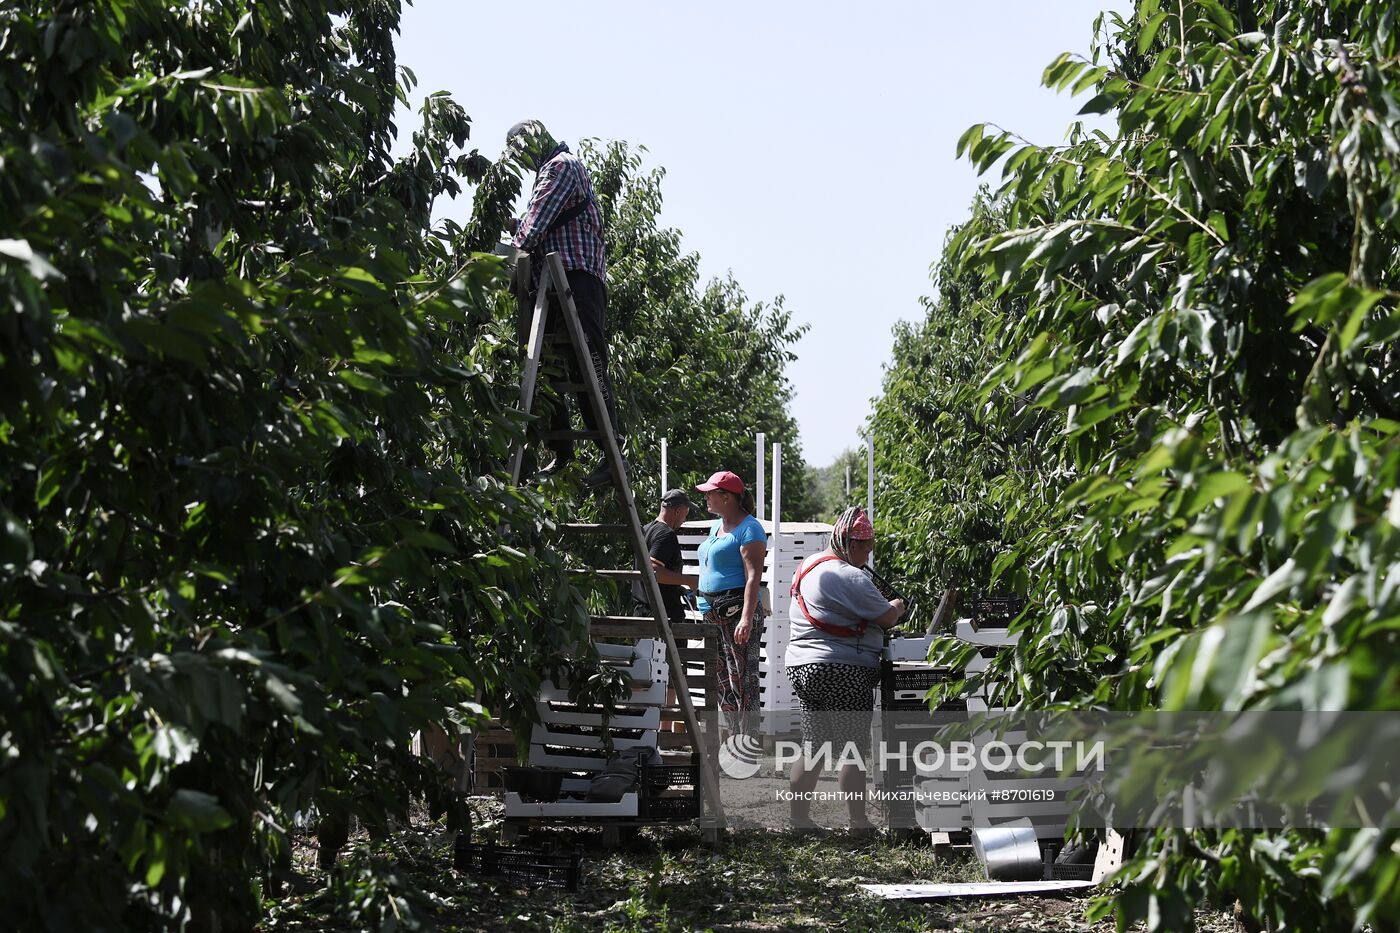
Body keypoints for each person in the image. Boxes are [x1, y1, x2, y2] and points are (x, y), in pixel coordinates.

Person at [505, 119, 621, 489]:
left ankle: (611, 448)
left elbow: (532, 229)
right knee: (548, 368)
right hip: (553, 283)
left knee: (588, 362)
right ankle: (562, 451)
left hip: (576, 279)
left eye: (520, 152)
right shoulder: (552, 172)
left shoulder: (561, 167)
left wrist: (514, 233)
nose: (521, 162)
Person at [784, 506, 905, 831]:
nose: (868, 554)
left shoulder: (809, 565)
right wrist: (896, 605)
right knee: (852, 747)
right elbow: (887, 617)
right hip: (842, 670)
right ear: (851, 544)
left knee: (814, 744)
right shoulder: (849, 576)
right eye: (866, 547)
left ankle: (798, 820)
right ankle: (858, 822)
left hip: (803, 666)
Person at [694, 470, 767, 737]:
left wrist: (747, 618)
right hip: (713, 613)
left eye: (710, 494)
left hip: (737, 613)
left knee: (743, 679)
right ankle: (734, 736)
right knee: (722, 680)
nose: (705, 498)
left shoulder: (750, 529)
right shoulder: (717, 525)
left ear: (726, 497)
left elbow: (753, 578)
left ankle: (748, 740)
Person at [631, 489, 699, 625]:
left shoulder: (646, 529)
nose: (684, 521)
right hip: (663, 617)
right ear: (677, 511)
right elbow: (654, 571)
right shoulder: (666, 534)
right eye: (685, 514)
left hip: (643, 612)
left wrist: (678, 588)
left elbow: (647, 573)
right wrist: (689, 580)